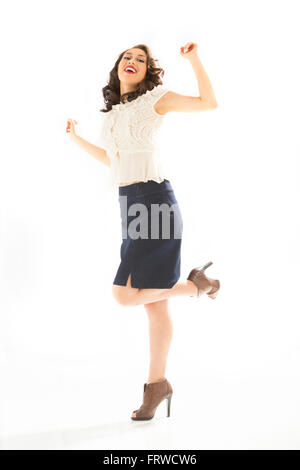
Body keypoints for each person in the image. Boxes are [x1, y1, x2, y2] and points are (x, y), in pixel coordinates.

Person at [66, 42, 220, 421]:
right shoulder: (116, 112)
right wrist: (76, 140)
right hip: (130, 204)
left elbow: (207, 102)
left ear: (148, 70)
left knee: (124, 295)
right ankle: (157, 386)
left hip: (154, 200)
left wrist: (193, 59)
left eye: (141, 59)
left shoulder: (155, 100)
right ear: (117, 67)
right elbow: (113, 160)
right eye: (127, 57)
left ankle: (198, 286)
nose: (132, 62)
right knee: (153, 304)